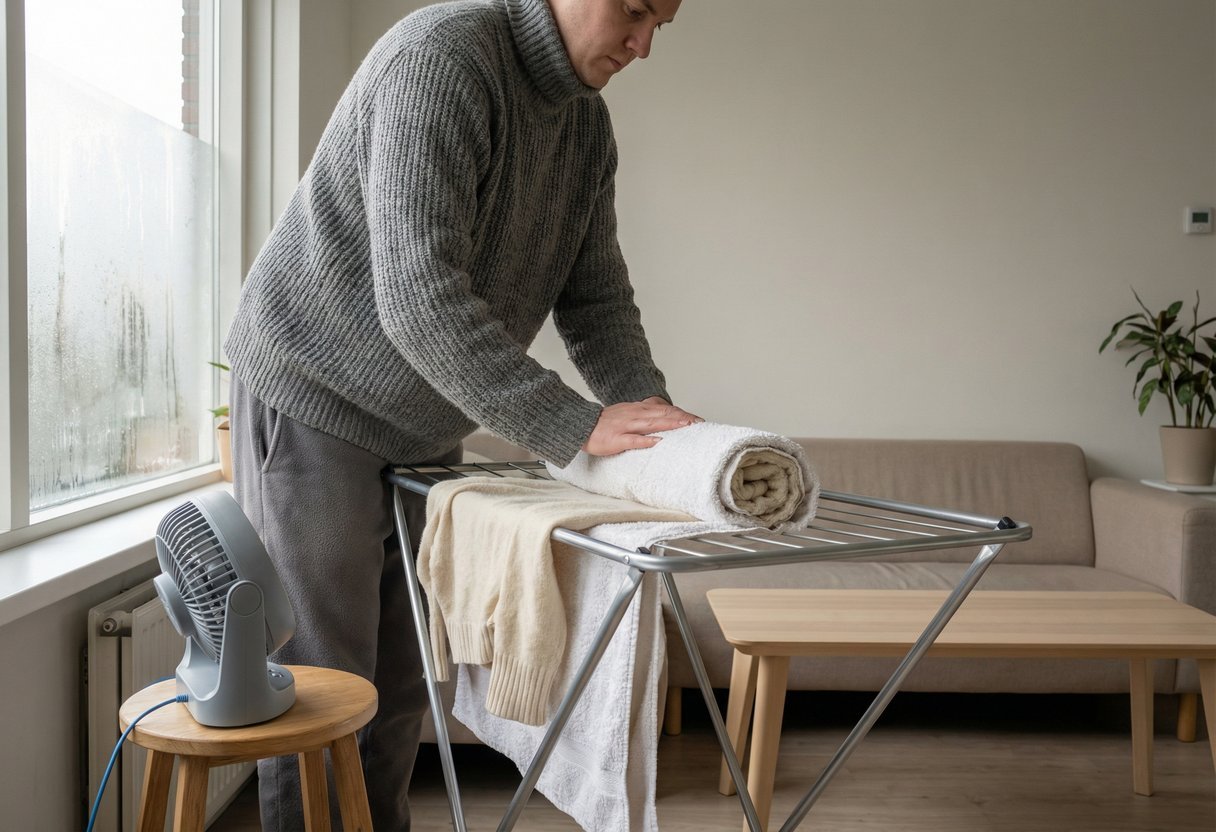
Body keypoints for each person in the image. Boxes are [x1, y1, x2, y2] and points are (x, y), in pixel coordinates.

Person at [223, 0, 689, 828]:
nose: (644, 45)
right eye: (634, 11)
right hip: (315, 398)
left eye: (663, 25)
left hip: (423, 426)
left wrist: (650, 419)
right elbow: (418, 296)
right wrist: (571, 424)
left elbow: (598, 299)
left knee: (403, 689)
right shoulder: (444, 59)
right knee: (325, 689)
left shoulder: (585, 127)